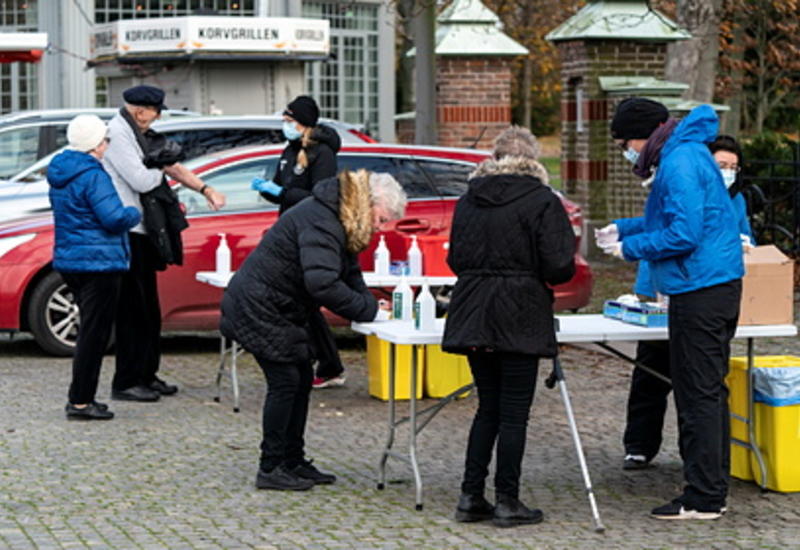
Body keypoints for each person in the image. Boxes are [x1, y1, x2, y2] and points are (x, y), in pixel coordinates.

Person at [599, 98, 744, 520]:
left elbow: (682, 232)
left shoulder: (678, 161)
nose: (627, 150)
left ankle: (703, 497)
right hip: (710, 283)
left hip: (700, 287)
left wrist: (630, 248)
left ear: (642, 135)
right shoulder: (687, 151)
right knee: (708, 392)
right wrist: (623, 228)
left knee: (697, 394)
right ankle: (712, 487)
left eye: (626, 141)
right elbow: (668, 216)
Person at [221, 170, 405, 491]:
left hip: (281, 306)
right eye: (382, 219)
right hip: (260, 305)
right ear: (369, 203)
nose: (381, 228)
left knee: (301, 378)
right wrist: (369, 310)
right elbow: (323, 284)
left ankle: (292, 460)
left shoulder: (343, 216)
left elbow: (349, 272)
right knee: (286, 382)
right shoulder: (324, 219)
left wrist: (370, 305)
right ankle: (271, 466)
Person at [442, 126, 576, 527]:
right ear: (533, 159)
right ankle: (507, 499)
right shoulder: (541, 201)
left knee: (488, 407)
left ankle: (470, 496)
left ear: (495, 157)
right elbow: (559, 265)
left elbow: (455, 260)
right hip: (520, 310)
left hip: (474, 309)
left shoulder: (469, 200)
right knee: (514, 413)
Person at [616, 134, 754, 472]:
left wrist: (744, 243)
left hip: (704, 289)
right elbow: (669, 232)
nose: (728, 172)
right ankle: (639, 445)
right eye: (722, 165)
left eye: (733, 167)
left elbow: (745, 237)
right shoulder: (685, 183)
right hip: (665, 288)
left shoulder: (735, 200)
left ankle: (700, 463)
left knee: (700, 384)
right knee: (652, 370)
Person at [103, 85, 225, 402]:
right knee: (132, 310)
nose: (157, 117)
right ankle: (126, 381)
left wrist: (205, 189)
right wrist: (158, 165)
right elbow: (142, 179)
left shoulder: (139, 132)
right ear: (141, 111)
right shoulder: (118, 135)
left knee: (149, 310)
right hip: (127, 232)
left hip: (143, 232)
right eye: (156, 111)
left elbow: (168, 165)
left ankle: (146, 373)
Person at [47, 115, 141, 420]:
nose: (107, 145)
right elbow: (112, 218)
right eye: (105, 140)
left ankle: (81, 397)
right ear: (96, 144)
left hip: (71, 260)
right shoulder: (94, 175)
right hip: (99, 262)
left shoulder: (62, 172)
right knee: (93, 334)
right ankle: (81, 401)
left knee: (89, 329)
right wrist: (133, 213)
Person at [251, 95, 346, 390]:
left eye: (290, 121)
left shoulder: (322, 153)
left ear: (303, 123)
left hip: (310, 231)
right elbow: (285, 186)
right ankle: (322, 361)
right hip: (288, 229)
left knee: (304, 301)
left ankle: (328, 364)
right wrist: (267, 190)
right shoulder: (290, 149)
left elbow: (321, 196)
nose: (285, 126)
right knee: (299, 300)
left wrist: (281, 194)